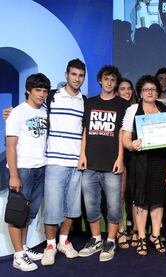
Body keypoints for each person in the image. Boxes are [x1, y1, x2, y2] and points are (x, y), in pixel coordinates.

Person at [77, 65, 128, 262]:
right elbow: (85, 131)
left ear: (116, 83)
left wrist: (120, 158)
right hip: (90, 163)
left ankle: (111, 240)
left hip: (112, 164)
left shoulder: (122, 105)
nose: (109, 83)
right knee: (91, 205)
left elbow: (122, 134)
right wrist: (82, 155)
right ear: (100, 80)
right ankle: (96, 238)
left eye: (113, 80)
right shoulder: (89, 103)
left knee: (114, 206)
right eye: (106, 79)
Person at [40, 59, 87, 267]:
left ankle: (63, 241)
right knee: (52, 207)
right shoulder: (51, 96)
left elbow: (85, 131)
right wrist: (11, 112)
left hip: (76, 163)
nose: (77, 79)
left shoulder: (85, 101)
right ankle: (50, 246)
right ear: (66, 74)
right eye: (74, 74)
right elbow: (31, 109)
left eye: (81, 75)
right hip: (54, 161)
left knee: (71, 207)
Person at [122, 75, 166, 256]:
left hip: (160, 161)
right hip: (139, 161)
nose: (150, 92)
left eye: (153, 89)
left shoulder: (165, 110)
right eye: (146, 89)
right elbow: (125, 138)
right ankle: (141, 236)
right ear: (140, 92)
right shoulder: (133, 109)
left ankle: (155, 235)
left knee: (158, 199)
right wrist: (131, 145)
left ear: (158, 92)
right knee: (140, 199)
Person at [5, 73, 50, 272]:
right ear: (28, 91)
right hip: (22, 169)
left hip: (40, 167)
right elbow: (11, 145)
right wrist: (14, 174)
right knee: (17, 213)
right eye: (38, 90)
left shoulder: (45, 111)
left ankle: (23, 248)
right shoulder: (17, 113)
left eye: (45, 91)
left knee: (29, 213)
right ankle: (17, 256)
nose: (42, 95)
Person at [115, 78, 137, 249]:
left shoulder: (137, 108)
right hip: (118, 157)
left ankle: (137, 230)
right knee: (120, 196)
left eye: (129, 88)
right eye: (122, 89)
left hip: (135, 156)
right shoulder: (114, 107)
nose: (127, 92)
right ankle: (120, 229)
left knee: (135, 196)